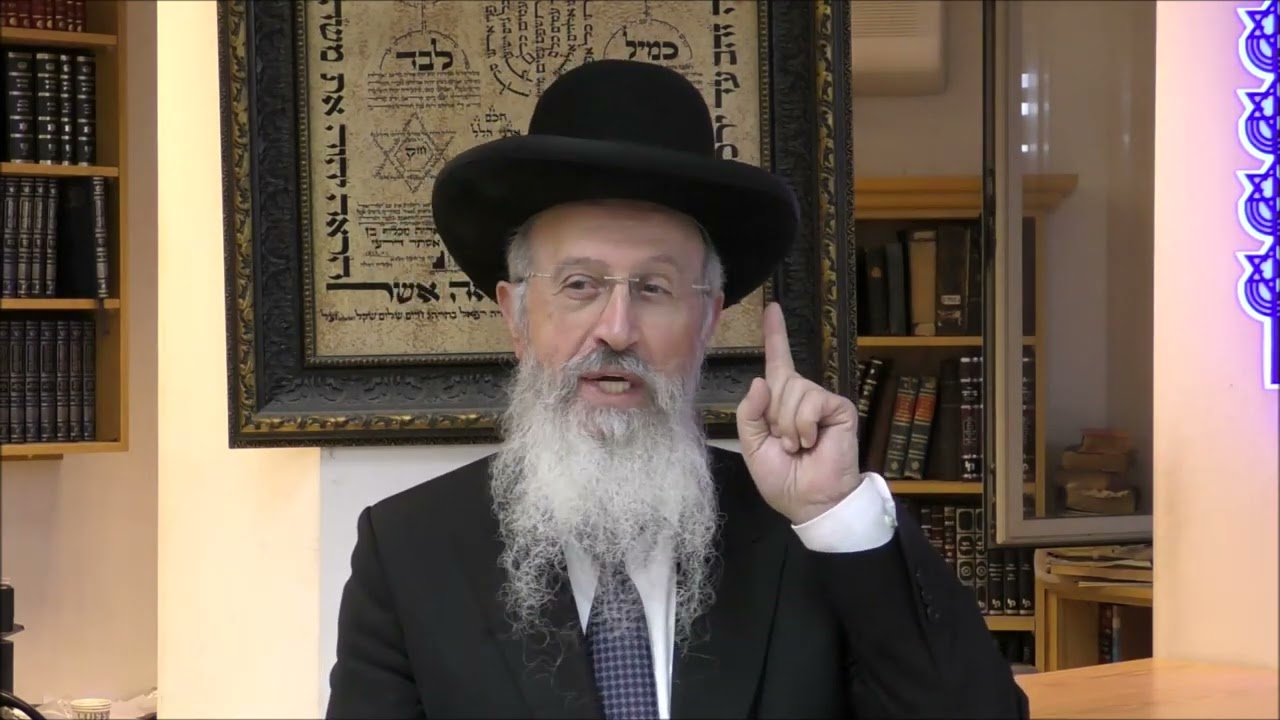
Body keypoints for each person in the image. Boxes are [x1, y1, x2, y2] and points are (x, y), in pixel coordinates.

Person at [326, 59, 1028, 719]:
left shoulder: (803, 533)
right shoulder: (409, 550)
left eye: (655, 288)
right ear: (516, 316)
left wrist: (835, 516)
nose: (617, 329)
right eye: (580, 284)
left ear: (708, 320)